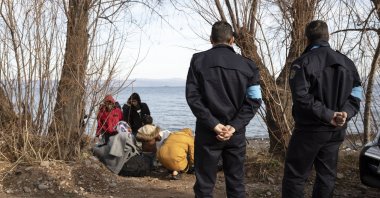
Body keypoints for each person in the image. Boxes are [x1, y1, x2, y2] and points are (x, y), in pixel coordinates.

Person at [282, 20, 362, 198]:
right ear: (328, 36)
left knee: (295, 177)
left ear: (307, 39)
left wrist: (333, 115)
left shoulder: (302, 62)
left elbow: (301, 97)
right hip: (336, 129)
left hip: (310, 131)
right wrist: (345, 113)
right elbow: (357, 92)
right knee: (327, 177)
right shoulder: (347, 62)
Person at [186, 21, 262, 197]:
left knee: (205, 185)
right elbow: (255, 100)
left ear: (211, 39)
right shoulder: (249, 65)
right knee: (236, 184)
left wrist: (214, 124)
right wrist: (233, 126)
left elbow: (193, 97)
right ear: (232, 40)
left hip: (208, 132)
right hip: (235, 134)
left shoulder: (198, 60)